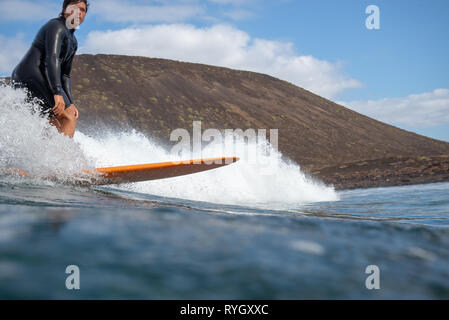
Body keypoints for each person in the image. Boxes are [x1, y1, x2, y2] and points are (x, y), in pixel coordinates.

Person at [11, 0, 88, 138]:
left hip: (38, 76)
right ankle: (63, 158)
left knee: (54, 121)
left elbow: (65, 75)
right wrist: (56, 92)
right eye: (74, 8)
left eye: (82, 10)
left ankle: (42, 157)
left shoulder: (73, 41)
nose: (78, 12)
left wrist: (71, 102)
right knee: (69, 117)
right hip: (31, 74)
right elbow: (51, 58)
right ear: (65, 10)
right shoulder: (56, 26)